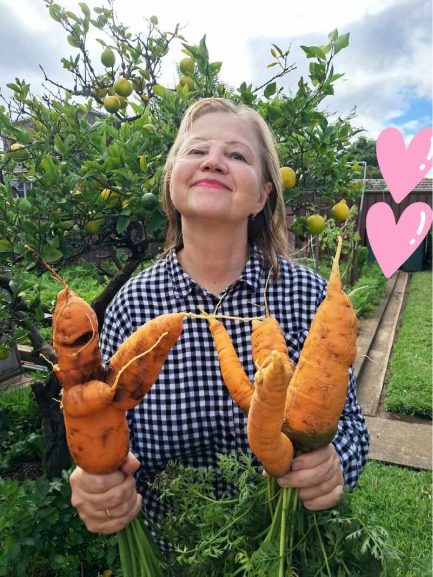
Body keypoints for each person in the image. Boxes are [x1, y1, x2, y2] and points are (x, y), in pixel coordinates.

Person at [70, 97, 369, 539]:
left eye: (236, 155)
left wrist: (335, 463)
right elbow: (105, 430)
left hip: (286, 552)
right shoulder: (133, 305)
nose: (213, 161)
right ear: (172, 180)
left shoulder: (310, 297)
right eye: (196, 150)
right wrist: (96, 483)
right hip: (174, 552)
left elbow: (352, 429)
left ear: (263, 195)